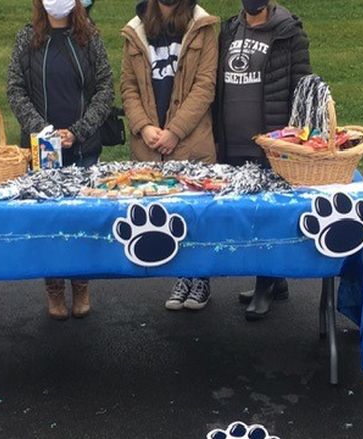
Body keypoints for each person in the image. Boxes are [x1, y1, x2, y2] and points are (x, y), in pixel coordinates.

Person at [7, 0, 113, 319]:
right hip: (43, 152)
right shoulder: (28, 38)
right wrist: (43, 130)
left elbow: (106, 89)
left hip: (83, 148)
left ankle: (80, 282)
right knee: (49, 221)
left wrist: (79, 130)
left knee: (80, 220)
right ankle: (53, 285)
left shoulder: (90, 37)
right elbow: (15, 89)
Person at [214, 0, 311, 320]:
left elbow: (302, 86)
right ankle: (275, 279)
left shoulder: (289, 33)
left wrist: (295, 138)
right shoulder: (229, 30)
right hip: (233, 140)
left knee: (267, 214)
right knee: (246, 216)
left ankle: (265, 284)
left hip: (271, 144)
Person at [120, 0, 218, 311]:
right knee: (169, 215)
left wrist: (174, 131)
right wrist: (143, 126)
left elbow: (205, 87)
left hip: (191, 141)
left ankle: (200, 278)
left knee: (197, 214)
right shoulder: (135, 31)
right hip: (150, 145)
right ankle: (182, 276)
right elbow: (128, 87)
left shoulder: (203, 27)